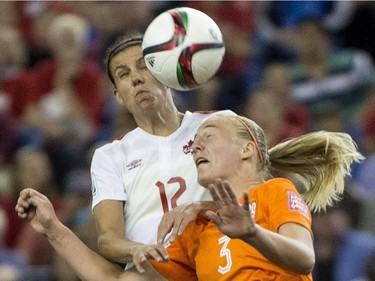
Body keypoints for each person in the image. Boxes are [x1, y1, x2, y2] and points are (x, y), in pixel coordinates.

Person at [15, 113, 363, 280]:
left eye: (209, 135)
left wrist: (253, 233)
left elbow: (304, 259)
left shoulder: (275, 191)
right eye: (195, 139)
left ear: (247, 149)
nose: (197, 143)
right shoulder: (197, 227)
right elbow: (117, 280)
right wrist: (55, 230)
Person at [90, 33, 234, 279]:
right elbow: (108, 239)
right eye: (124, 74)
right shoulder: (109, 156)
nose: (135, 78)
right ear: (118, 96)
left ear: (167, 73)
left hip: (219, 254)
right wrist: (140, 249)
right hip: (154, 271)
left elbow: (252, 198)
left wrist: (200, 208)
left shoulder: (218, 124)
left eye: (144, 67)